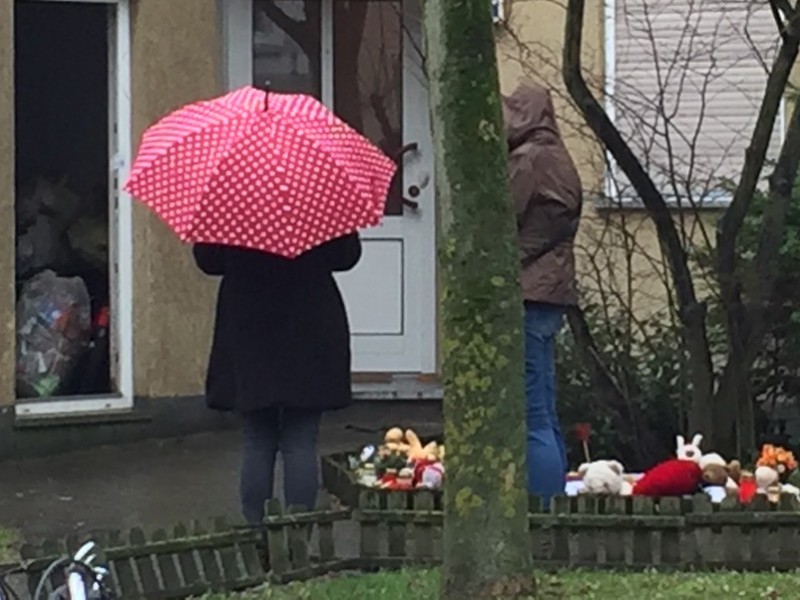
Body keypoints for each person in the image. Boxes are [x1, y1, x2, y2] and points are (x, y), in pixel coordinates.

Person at [192, 233, 361, 524]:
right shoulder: (318, 197)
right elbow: (345, 257)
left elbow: (209, 261)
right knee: (301, 440)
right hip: (309, 323)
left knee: (257, 439)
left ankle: (258, 534)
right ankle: (297, 536)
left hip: (248, 325)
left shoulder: (233, 201)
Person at [503, 81, 583, 506]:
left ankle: (540, 506)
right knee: (546, 408)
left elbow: (503, 215)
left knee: (531, 410)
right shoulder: (559, 156)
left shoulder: (529, 160)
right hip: (552, 294)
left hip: (530, 294)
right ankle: (554, 502)